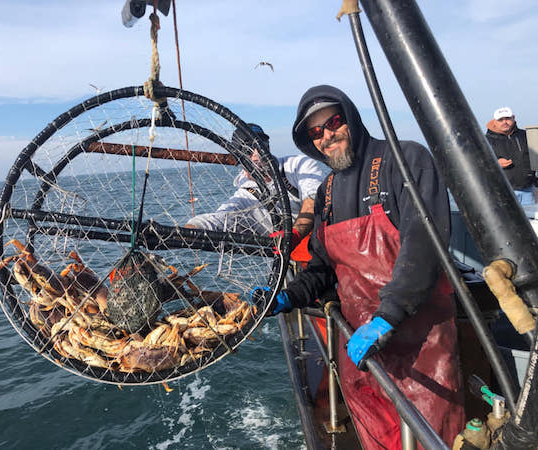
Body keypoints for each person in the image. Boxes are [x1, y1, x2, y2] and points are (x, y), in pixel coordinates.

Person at [252, 85, 465, 449]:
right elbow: (322, 266)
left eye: (333, 122)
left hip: (420, 345)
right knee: (374, 436)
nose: (327, 136)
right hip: (358, 348)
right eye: (315, 132)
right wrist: (287, 296)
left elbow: (424, 243)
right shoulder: (327, 192)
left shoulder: (405, 160)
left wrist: (390, 314)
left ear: (350, 117)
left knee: (431, 435)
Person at [185, 123, 326, 250]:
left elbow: (314, 198)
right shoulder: (244, 197)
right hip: (287, 260)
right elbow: (217, 219)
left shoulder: (299, 165)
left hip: (323, 242)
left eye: (261, 145)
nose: (257, 154)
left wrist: (295, 233)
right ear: (238, 156)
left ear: (268, 146)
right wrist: (181, 233)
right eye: (247, 150)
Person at [486, 106, 536, 205]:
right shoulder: (485, 140)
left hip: (527, 190)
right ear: (495, 122)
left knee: (528, 220)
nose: (505, 122)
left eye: (507, 118)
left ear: (513, 118)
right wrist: (496, 162)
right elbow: (480, 162)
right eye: (500, 120)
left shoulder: (526, 136)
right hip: (502, 192)